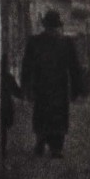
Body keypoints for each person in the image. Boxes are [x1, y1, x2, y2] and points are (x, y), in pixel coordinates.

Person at [21, 10, 82, 158]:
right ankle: (56, 147)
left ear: (45, 25)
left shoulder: (35, 42)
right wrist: (76, 90)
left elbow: (26, 67)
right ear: (58, 26)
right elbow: (75, 69)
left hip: (41, 86)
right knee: (58, 117)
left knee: (41, 114)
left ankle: (41, 141)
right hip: (59, 88)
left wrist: (25, 87)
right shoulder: (66, 43)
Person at [1, 55, 23, 157]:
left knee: (2, 130)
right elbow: (18, 92)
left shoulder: (2, 77)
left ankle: (2, 151)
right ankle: (2, 152)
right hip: (5, 108)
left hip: (3, 108)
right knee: (3, 130)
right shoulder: (8, 77)